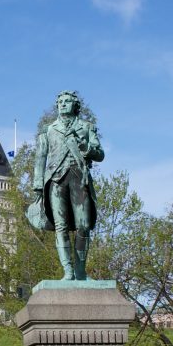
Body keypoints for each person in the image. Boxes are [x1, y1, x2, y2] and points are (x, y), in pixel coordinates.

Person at [30, 90, 104, 280]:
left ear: (75, 105)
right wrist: (38, 185)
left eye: (67, 101)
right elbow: (40, 157)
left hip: (80, 179)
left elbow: (100, 154)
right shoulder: (48, 130)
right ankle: (68, 271)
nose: (63, 104)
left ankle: (80, 270)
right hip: (56, 180)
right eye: (60, 101)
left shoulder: (87, 127)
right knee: (60, 226)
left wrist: (86, 148)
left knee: (84, 225)